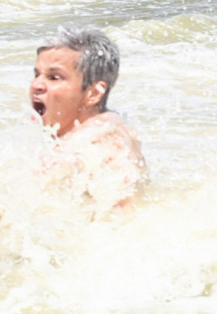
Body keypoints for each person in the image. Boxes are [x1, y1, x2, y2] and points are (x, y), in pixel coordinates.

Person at [30, 25, 148, 216]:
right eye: (37, 75)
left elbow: (123, 213)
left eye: (54, 77)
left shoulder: (103, 141)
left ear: (94, 93)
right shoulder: (97, 128)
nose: (36, 85)